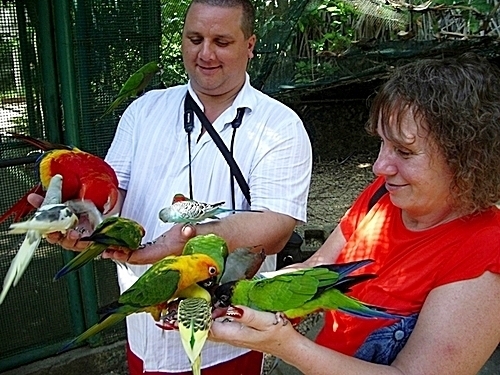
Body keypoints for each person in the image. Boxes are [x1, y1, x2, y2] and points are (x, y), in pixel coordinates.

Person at [35, 0, 311, 374]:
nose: (205, 53)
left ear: (249, 45)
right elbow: (114, 192)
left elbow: (276, 227)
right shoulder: (145, 110)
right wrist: (85, 218)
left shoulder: (280, 127)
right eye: (194, 38)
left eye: (222, 41)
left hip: (225, 338)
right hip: (143, 327)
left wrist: (191, 238)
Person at [210, 52, 500, 375]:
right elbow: (317, 268)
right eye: (382, 144)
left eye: (404, 151)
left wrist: (286, 345)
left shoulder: (486, 252)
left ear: (465, 160)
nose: (379, 166)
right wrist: (233, 301)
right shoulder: (384, 195)